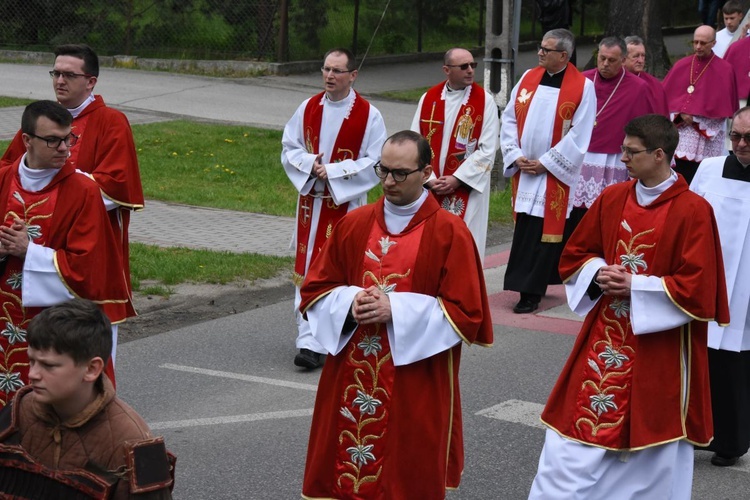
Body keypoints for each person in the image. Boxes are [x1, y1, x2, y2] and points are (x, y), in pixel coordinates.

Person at [529, 114, 729, 498]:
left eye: (630, 152)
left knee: (651, 442)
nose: (622, 159)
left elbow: (700, 288)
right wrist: (597, 272)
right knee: (574, 433)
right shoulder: (612, 197)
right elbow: (576, 254)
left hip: (660, 345)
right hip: (605, 335)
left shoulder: (693, 211)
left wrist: (635, 285)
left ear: (658, 155)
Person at [298, 131, 493, 498]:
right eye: (383, 170)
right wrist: (349, 304)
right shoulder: (354, 224)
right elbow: (314, 290)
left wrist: (397, 308)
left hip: (413, 376)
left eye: (400, 173)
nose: (388, 181)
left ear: (427, 172)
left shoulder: (450, 233)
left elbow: (467, 313)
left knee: (406, 474)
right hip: (351, 371)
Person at [0, 100, 134, 406]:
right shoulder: (3, 179)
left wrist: (29, 251)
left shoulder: (83, 191)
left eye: (68, 139)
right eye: (53, 141)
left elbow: (87, 270)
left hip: (54, 327)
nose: (65, 149)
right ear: (26, 141)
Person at [0, 44, 144, 307]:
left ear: (91, 82)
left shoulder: (111, 121)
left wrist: (64, 195)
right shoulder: (41, 120)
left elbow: (118, 184)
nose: (60, 81)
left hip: (87, 235)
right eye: (55, 73)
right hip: (29, 236)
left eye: (69, 75)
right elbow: (9, 172)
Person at [0, 300, 175, 498]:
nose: (32, 374)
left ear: (92, 369)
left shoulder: (134, 442)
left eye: (48, 366)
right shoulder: (18, 411)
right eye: (32, 361)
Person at [281, 47, 386, 370]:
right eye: (326, 69)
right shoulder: (308, 107)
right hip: (312, 204)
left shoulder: (369, 115)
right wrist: (311, 164)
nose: (329, 76)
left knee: (336, 269)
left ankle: (328, 335)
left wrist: (337, 171)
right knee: (307, 268)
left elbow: (377, 161)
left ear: (353, 75)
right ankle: (308, 339)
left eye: (337, 71)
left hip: (346, 205)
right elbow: (290, 146)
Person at [500, 28, 596, 314]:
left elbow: (580, 134)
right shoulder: (528, 78)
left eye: (546, 49)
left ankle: (531, 293)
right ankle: (525, 284)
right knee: (526, 229)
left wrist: (547, 163)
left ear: (564, 56)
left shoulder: (582, 87)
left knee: (545, 233)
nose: (540, 52)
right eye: (541, 47)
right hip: (525, 171)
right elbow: (508, 119)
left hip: (552, 174)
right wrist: (516, 156)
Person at [690, 106, 750, 467]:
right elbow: (689, 215)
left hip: (745, 286)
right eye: (736, 136)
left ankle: (732, 441)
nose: (740, 145)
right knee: (703, 357)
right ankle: (698, 432)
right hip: (709, 278)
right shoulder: (710, 168)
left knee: (737, 365)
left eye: (748, 139)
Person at [411, 47, 499, 260]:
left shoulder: (484, 101)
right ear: (446, 70)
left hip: (466, 188)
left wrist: (457, 179)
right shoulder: (428, 98)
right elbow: (414, 142)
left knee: (463, 243)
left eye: (473, 65)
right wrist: (429, 179)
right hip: (431, 187)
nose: (470, 70)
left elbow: (488, 149)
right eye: (464, 66)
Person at [572, 37, 655, 220]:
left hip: (614, 159)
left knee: (609, 210)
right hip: (581, 154)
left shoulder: (638, 87)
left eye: (612, 60)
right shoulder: (582, 80)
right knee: (576, 212)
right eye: (602, 58)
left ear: (623, 60)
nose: (605, 64)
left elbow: (644, 127)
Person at [662, 25, 738, 184]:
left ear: (713, 43)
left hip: (706, 143)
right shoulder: (681, 65)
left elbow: (723, 110)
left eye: (703, 43)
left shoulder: (725, 70)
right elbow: (666, 101)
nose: (698, 46)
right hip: (682, 137)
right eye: (695, 42)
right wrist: (680, 115)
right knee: (679, 177)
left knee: (703, 178)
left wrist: (697, 122)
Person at [623, 35, 669, 116]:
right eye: (636, 56)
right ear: (623, 58)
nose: (641, 61)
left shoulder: (654, 85)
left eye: (643, 56)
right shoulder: (614, 80)